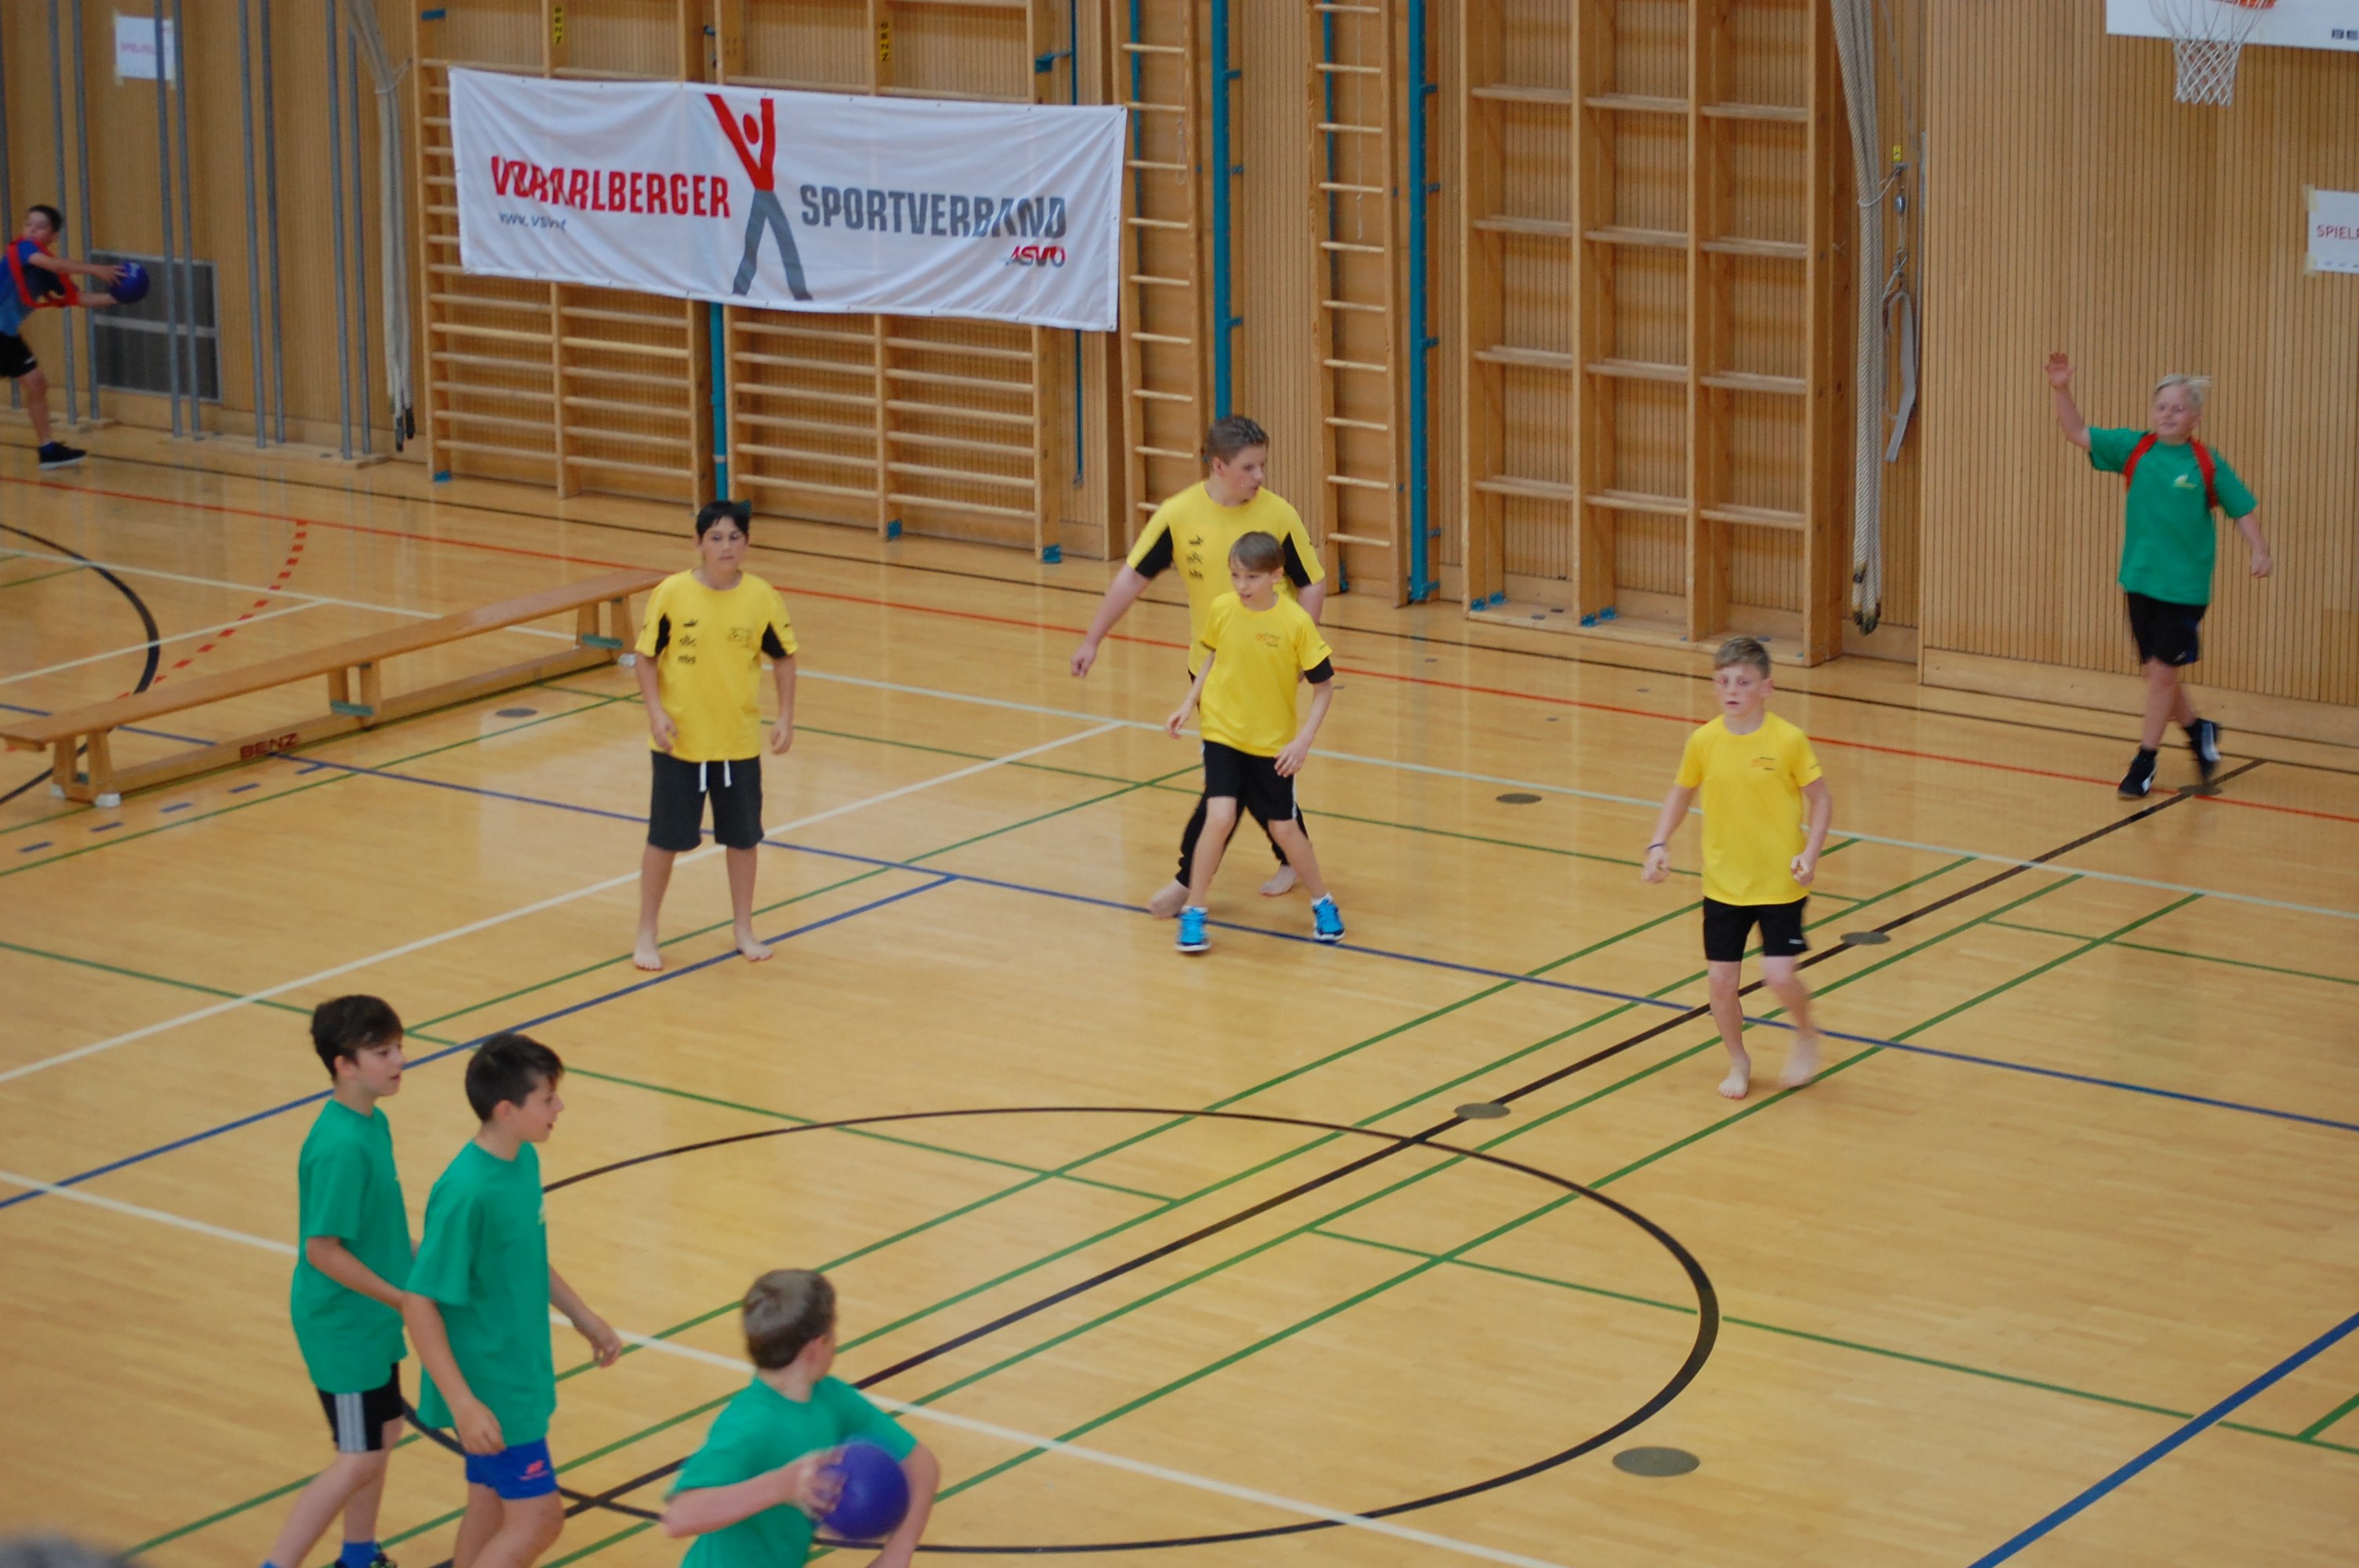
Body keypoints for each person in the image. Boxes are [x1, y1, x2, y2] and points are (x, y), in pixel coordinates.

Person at [1070, 415, 1329, 917]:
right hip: (1209, 673)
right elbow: (1132, 578)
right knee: (1230, 784)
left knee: (1247, 779)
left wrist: (1300, 652)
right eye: (1249, 468)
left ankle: (1200, 879)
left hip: (1268, 674)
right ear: (1218, 466)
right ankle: (1234, 868)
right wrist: (1092, 639)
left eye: (1262, 466)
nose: (1260, 477)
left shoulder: (1279, 514)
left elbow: (1311, 581)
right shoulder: (1178, 514)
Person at [403, 1033, 623, 1568]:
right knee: (540, 1519)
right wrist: (464, 1402)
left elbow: (525, 1256)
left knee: (488, 1506)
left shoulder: (521, 1162)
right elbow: (420, 1302)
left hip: (521, 1369)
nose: (559, 1107)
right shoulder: (466, 1192)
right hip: (492, 1387)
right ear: (507, 1110)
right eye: (547, 1099)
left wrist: (582, 1315)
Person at [2046, 354, 2271, 799]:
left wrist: (2259, 550)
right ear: (2152, 412)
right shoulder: (2135, 449)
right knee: (2158, 675)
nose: (2168, 414)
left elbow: (2241, 508)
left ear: (2195, 417)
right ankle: (2199, 731)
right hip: (2139, 581)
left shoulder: (2205, 462)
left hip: (2184, 589)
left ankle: (2144, 762)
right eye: (2162, 407)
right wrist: (2061, 389)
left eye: (2178, 408)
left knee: (2163, 675)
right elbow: (2077, 433)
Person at [1641, 636, 1831, 1101]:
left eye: (1744, 682)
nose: (1732, 690)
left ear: (1766, 688)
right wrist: (1659, 842)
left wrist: (1810, 853)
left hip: (1779, 884)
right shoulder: (1704, 740)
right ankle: (1738, 1059)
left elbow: (1822, 799)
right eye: (1723, 681)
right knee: (1721, 982)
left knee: (1779, 976)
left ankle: (1807, 1035)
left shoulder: (1788, 740)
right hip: (1724, 885)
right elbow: (1681, 792)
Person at [265, 996, 413, 1568]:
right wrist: (401, 1298)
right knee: (358, 1458)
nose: (399, 1060)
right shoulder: (341, 1147)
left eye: (398, 1047)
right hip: (343, 1325)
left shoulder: (373, 1124)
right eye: (383, 1052)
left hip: (372, 1317)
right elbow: (323, 1251)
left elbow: (379, 1234)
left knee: (386, 1432)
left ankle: (358, 1556)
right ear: (343, 1065)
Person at [663, 1268, 937, 1568]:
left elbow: (922, 1465)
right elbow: (681, 1516)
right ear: (816, 1347)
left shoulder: (830, 1397)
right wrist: (782, 1486)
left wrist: (896, 1555)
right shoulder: (749, 1422)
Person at [634, 499, 798, 971]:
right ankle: (647, 932)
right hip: (680, 743)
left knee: (743, 839)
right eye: (716, 538)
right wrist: (656, 713)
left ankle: (744, 929)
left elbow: (784, 657)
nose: (726, 547)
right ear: (698, 543)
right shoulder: (671, 594)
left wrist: (785, 716)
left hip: (737, 744)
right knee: (664, 839)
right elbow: (646, 657)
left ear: (747, 543)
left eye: (734, 537)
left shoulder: (762, 597)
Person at [1165, 531, 1343, 955]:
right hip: (1222, 732)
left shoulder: (1296, 622)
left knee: (1284, 828)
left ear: (1277, 576)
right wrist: (1189, 702)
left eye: (1252, 577)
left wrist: (1303, 742)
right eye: (1235, 576)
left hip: (1272, 744)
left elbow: (1324, 688)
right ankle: (1195, 912)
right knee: (1219, 816)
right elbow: (1211, 656)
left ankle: (1323, 902)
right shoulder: (1223, 609)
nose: (1242, 586)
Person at [2, 204, 122, 470]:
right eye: (29, 224)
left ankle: (48, 450)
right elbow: (55, 264)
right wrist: (95, 269)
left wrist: (118, 297)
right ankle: (47, 449)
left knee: (37, 384)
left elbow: (78, 298)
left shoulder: (49, 274)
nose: (32, 230)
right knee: (36, 383)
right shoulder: (24, 249)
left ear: (54, 236)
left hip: (6, 335)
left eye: (40, 227)